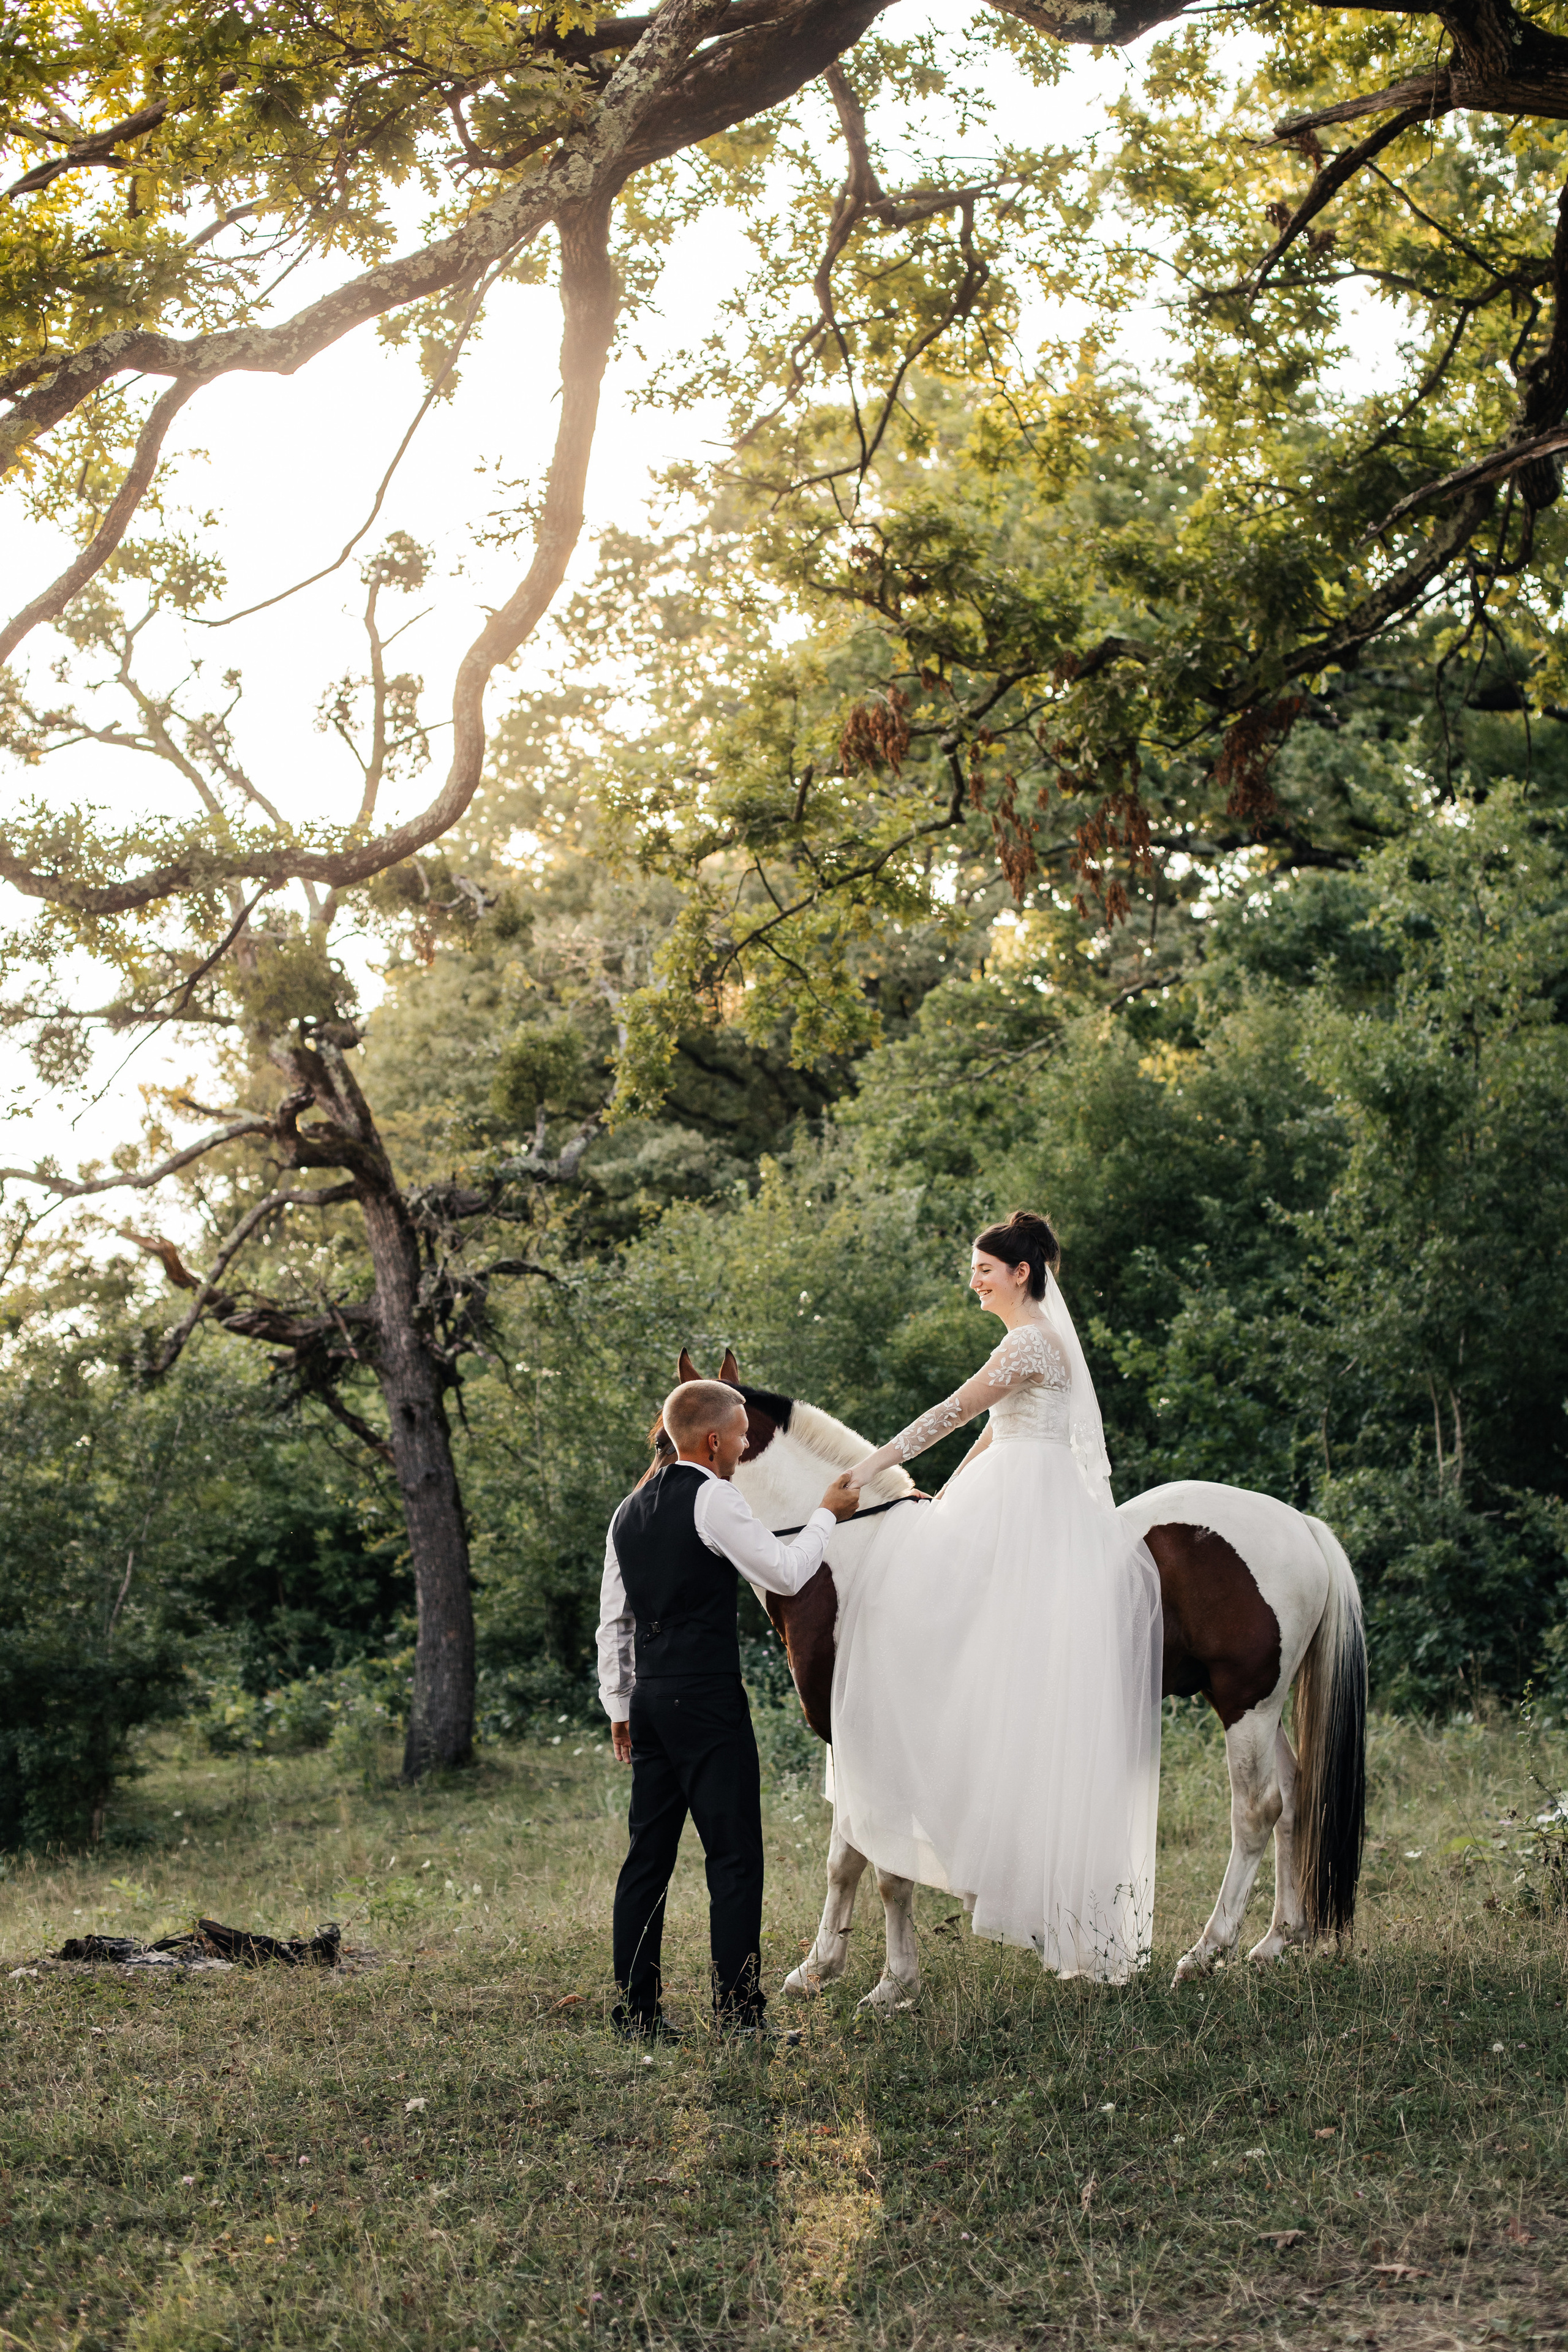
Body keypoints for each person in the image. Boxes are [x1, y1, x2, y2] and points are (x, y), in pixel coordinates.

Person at [833, 1210, 1163, 1981]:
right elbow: (989, 1431)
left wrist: (873, 1468)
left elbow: (955, 1411)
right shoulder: (1031, 1343)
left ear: (1021, 1272)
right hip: (1008, 1481)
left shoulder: (1030, 1341)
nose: (973, 1278)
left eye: (983, 1268)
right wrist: (944, 1496)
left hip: (1029, 1500)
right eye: (973, 1267)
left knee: (927, 1609)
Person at [599, 1376, 860, 2040]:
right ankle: (740, 2017)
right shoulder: (714, 1498)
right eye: (742, 1434)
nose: (746, 1446)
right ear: (712, 1440)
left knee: (646, 1860)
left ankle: (638, 2014)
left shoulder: (626, 1513)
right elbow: (786, 1573)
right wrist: (827, 1511)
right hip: (707, 1700)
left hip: (652, 1701)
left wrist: (619, 1703)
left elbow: (615, 1619)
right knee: (734, 1859)